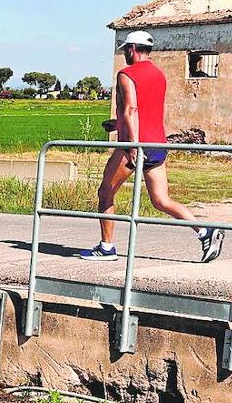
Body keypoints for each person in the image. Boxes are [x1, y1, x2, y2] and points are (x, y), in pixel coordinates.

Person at [80, 30, 224, 262]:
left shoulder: (126, 74)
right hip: (157, 144)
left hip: (134, 146)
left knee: (105, 192)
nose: (125, 53)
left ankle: (106, 248)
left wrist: (133, 144)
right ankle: (205, 231)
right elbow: (146, 110)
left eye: (126, 49)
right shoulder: (159, 75)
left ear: (132, 49)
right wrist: (117, 124)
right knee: (161, 200)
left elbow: (132, 109)